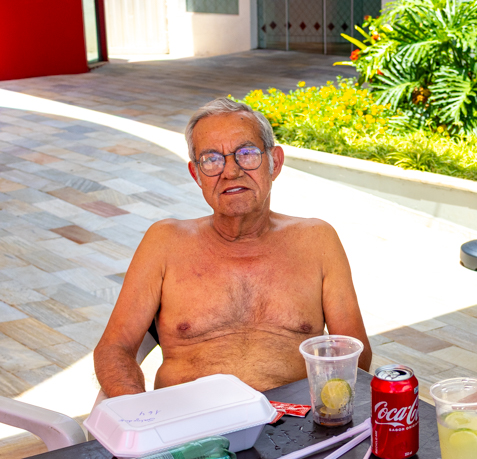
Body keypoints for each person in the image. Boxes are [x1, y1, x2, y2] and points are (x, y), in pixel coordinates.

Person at [94, 98, 372, 398]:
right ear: (196, 174)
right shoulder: (164, 242)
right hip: (188, 419)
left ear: (275, 163)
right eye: (211, 159)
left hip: (295, 418)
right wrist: (139, 413)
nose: (230, 171)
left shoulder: (317, 240)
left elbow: (354, 353)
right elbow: (114, 348)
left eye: (246, 153)